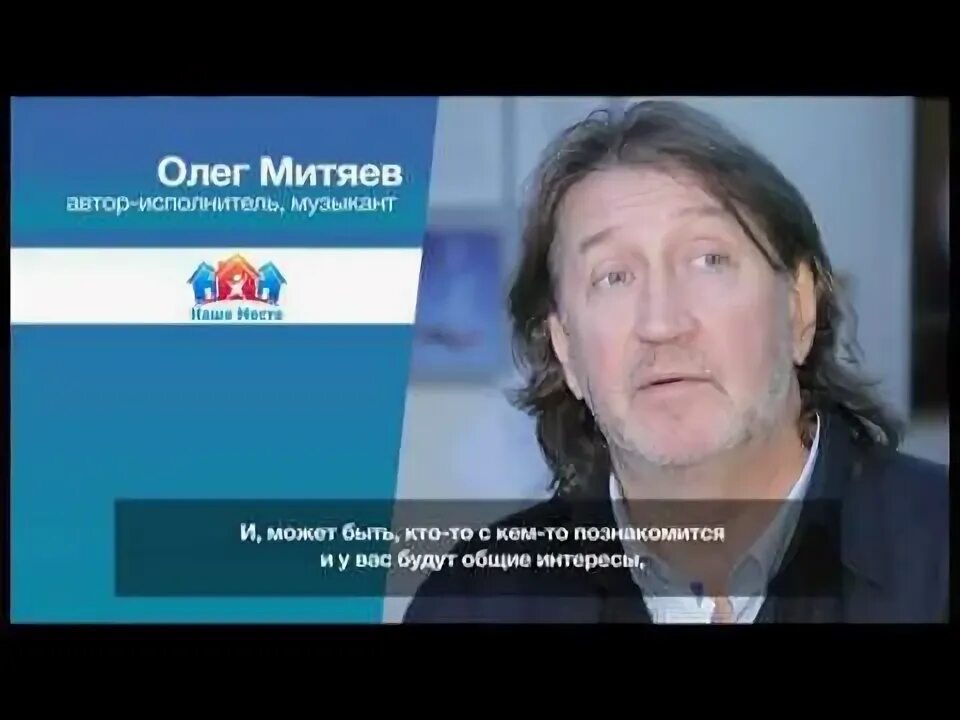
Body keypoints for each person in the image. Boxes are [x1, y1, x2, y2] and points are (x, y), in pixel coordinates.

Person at [403, 100, 948, 623]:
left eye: (709, 260)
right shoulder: (472, 604)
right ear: (566, 349)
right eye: (613, 277)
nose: (661, 323)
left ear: (799, 308)